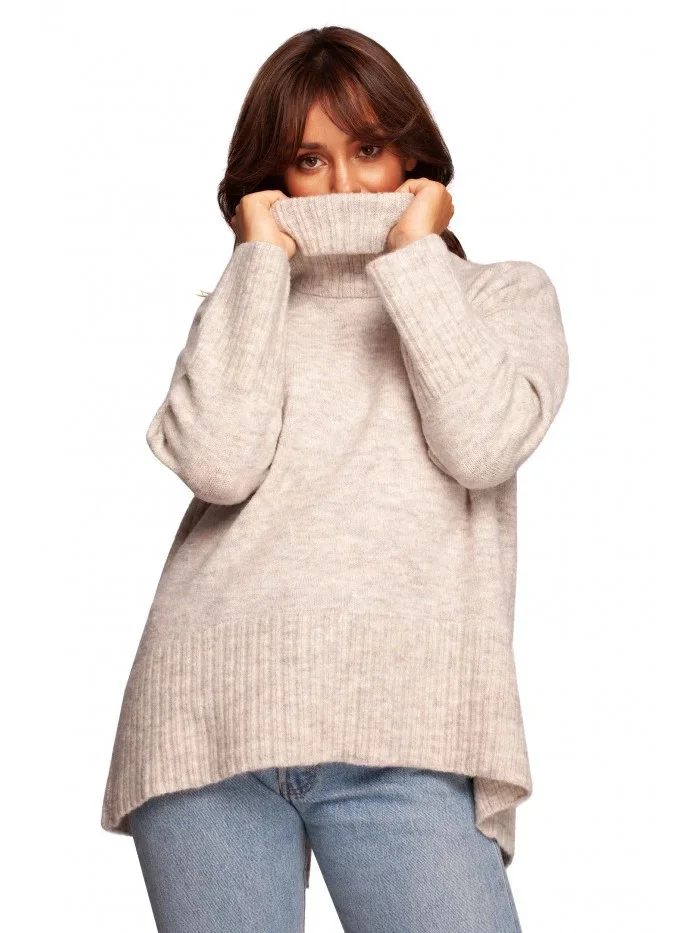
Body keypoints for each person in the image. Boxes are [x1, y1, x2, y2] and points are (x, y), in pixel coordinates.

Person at [100, 25, 569, 933]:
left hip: (410, 728)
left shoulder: (499, 296)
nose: (346, 185)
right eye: (310, 160)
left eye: (369, 149)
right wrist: (258, 263)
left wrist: (413, 258)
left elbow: (482, 445)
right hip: (207, 721)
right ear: (270, 180)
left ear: (414, 157)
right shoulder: (248, 303)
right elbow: (219, 462)